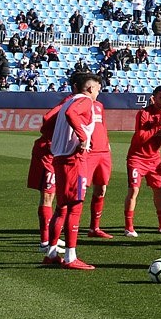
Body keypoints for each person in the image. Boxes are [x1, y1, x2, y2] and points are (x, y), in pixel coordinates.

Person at [43, 72, 102, 269]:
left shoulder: (68, 101)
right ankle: (70, 257)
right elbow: (71, 115)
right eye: (98, 89)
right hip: (74, 160)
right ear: (91, 88)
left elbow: (47, 121)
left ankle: (51, 253)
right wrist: (82, 138)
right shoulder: (84, 101)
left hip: (60, 158)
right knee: (75, 207)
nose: (98, 94)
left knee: (62, 208)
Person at [124, 85, 161, 237]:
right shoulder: (143, 113)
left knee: (159, 191)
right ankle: (129, 227)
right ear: (154, 98)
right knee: (134, 190)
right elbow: (140, 138)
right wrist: (157, 125)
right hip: (137, 157)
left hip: (154, 159)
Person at [28, 90, 70, 256]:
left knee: (60, 195)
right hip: (49, 152)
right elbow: (47, 119)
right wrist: (54, 135)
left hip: (60, 152)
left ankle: (52, 236)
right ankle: (45, 242)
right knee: (48, 195)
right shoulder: (70, 101)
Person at [83, 80, 114, 239]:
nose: (99, 92)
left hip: (103, 152)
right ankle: (68, 226)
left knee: (101, 189)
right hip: (88, 153)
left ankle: (94, 228)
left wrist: (107, 143)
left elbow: (102, 125)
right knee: (79, 192)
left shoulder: (99, 106)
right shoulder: (78, 104)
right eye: (98, 89)